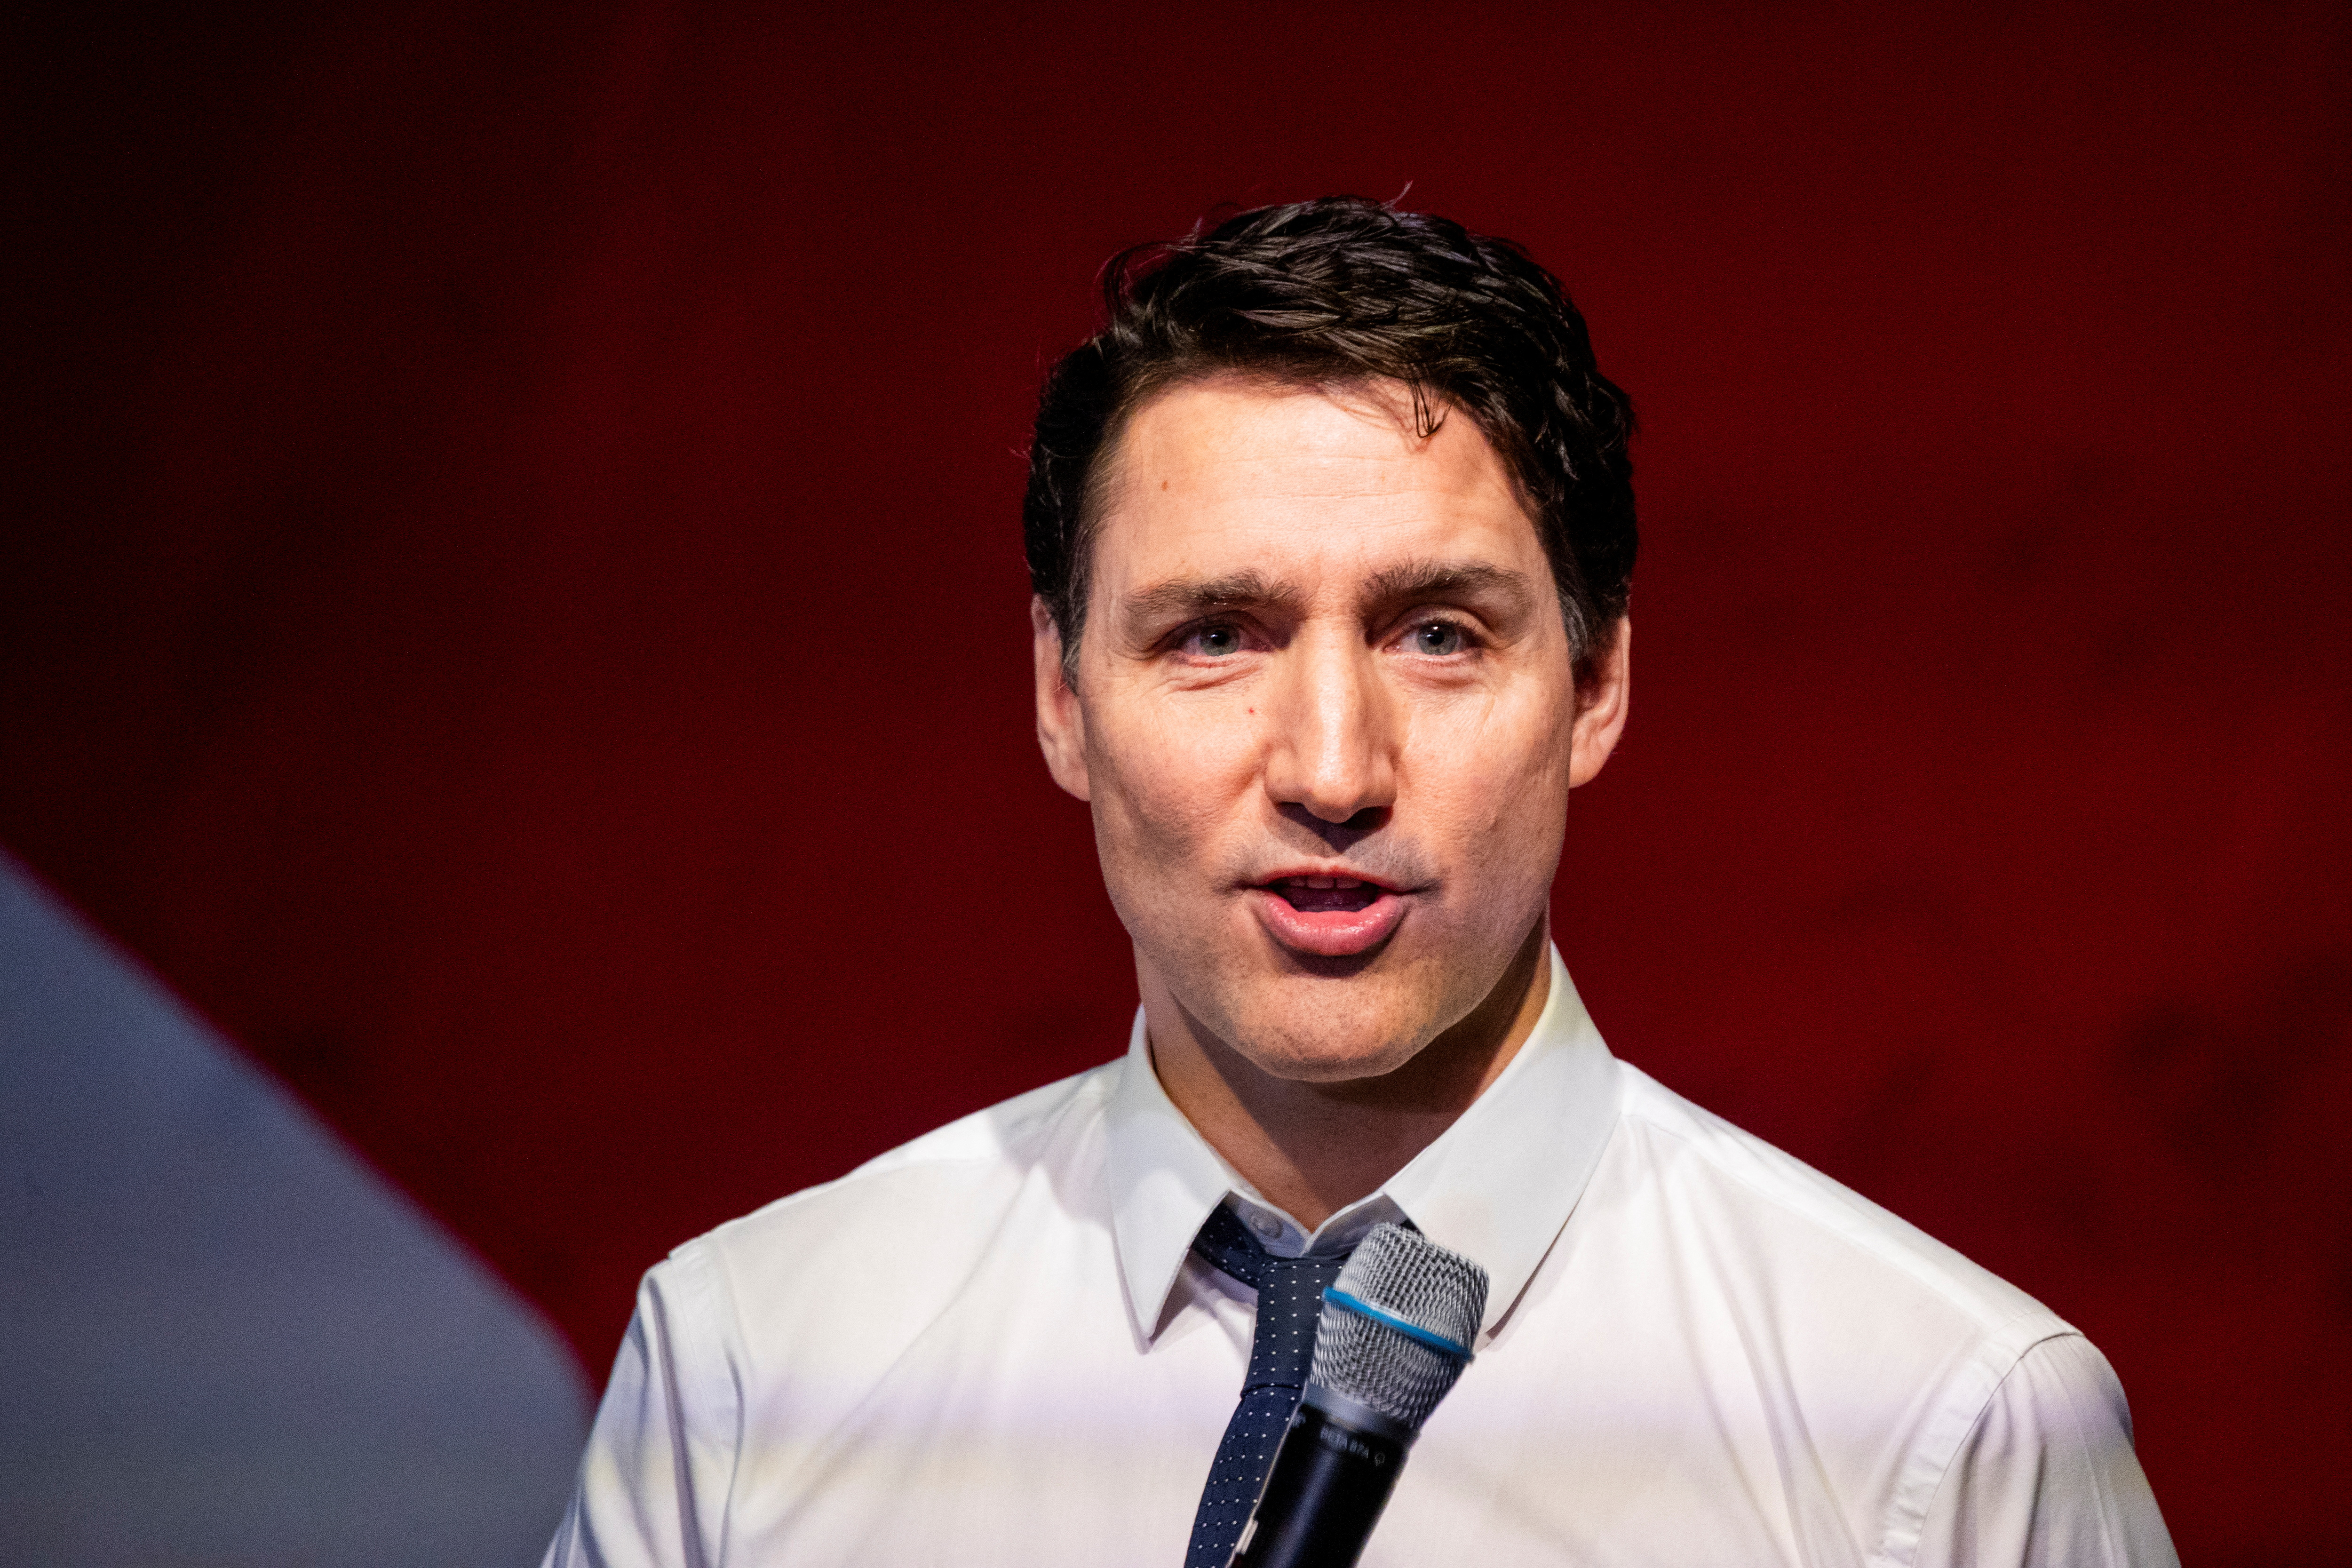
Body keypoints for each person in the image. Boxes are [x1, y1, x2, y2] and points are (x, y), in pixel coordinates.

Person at [541, 198, 2176, 1567]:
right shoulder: (751, 1371)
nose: (1332, 767)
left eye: (1438, 634)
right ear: (1061, 698)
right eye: (1215, 636)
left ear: (1596, 684)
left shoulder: (1946, 1435)